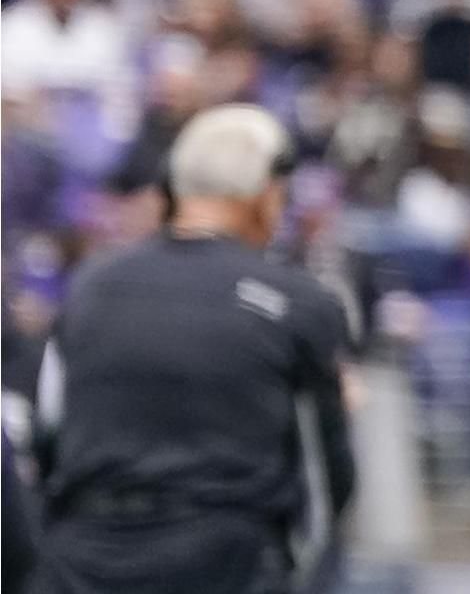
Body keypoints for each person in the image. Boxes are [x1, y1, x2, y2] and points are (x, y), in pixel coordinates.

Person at [30, 104, 355, 594]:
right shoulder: (298, 303)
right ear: (267, 195)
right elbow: (330, 480)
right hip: (226, 559)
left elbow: (47, 435)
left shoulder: (91, 285)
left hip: (88, 557)